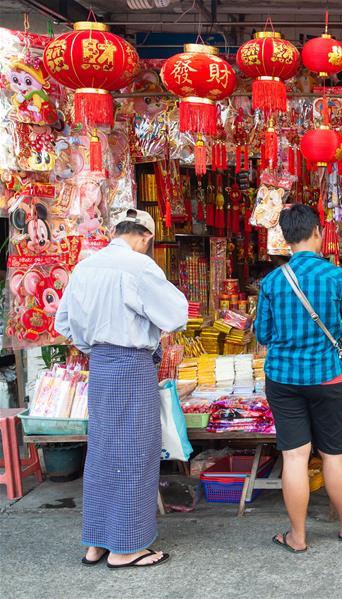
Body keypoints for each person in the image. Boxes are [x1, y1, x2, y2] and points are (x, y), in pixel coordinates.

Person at [54, 209, 188, 569]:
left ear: (115, 231)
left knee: (101, 454)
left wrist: (95, 344)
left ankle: (96, 542)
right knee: (134, 454)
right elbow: (176, 314)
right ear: (145, 237)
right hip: (131, 365)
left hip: (100, 364)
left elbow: (63, 321)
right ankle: (126, 547)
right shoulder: (138, 267)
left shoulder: (85, 267)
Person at [255, 204, 342, 552]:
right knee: (332, 455)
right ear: (317, 233)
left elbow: (264, 335)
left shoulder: (271, 281)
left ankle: (297, 536)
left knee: (295, 457)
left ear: (285, 239)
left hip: (283, 379)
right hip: (327, 377)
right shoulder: (337, 277)